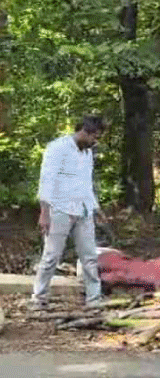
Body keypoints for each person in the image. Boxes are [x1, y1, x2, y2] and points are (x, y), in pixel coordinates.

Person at [31, 115, 107, 310]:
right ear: (84, 132)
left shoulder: (87, 153)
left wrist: (95, 208)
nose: (95, 141)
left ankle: (94, 300)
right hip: (60, 209)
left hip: (83, 210)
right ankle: (39, 298)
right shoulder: (57, 148)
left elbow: (86, 183)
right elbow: (46, 180)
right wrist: (44, 212)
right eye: (94, 137)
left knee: (89, 257)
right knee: (51, 256)